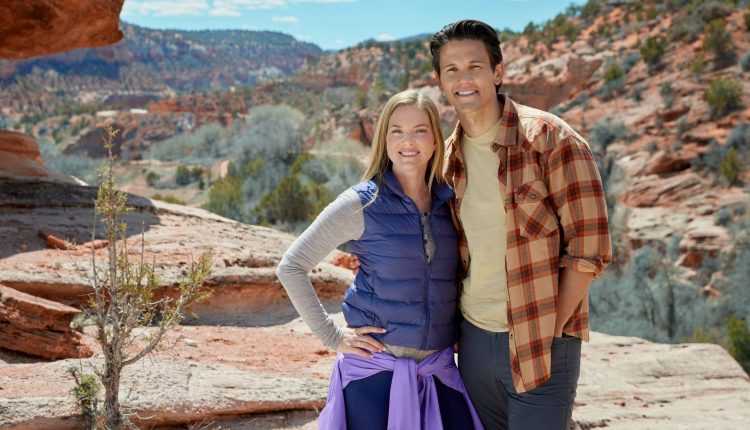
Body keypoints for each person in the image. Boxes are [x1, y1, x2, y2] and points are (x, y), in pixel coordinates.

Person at [428, 20, 614, 430]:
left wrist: (551, 330)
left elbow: (590, 249)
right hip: (473, 340)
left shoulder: (551, 139)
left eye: (475, 66)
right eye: (452, 70)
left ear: (497, 72)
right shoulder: (446, 158)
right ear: (439, 80)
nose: (464, 79)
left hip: (542, 338)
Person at [276, 90, 483, 430]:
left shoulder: (450, 203)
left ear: (435, 140)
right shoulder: (360, 203)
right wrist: (332, 337)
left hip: (438, 372)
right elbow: (291, 265)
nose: (408, 142)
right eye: (396, 131)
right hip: (375, 374)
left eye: (420, 130)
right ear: (384, 140)